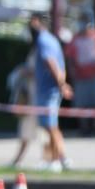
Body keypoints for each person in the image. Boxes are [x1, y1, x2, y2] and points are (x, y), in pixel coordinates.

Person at [29, 13, 73, 171]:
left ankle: (56, 160)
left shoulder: (43, 40)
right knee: (51, 126)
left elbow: (51, 63)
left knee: (50, 126)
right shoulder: (52, 39)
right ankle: (60, 158)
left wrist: (62, 84)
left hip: (49, 90)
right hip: (50, 89)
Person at [64, 19, 95, 135]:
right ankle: (84, 128)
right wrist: (72, 73)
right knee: (81, 104)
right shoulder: (74, 39)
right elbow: (69, 58)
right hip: (80, 77)